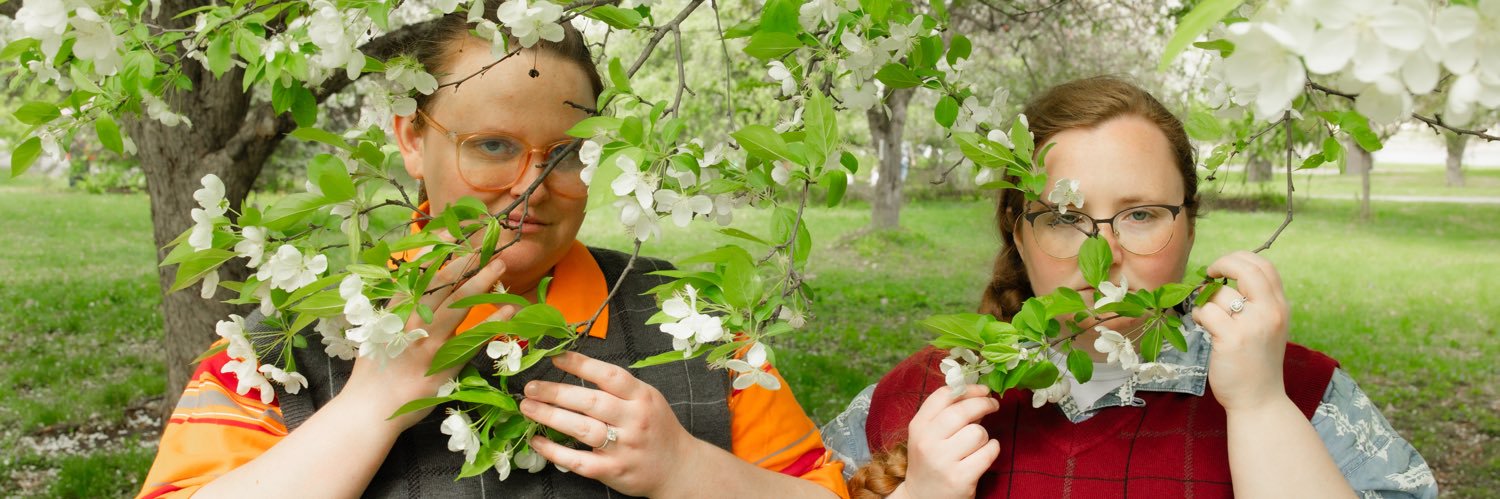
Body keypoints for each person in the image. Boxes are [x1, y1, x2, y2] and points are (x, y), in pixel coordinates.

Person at [137, 6, 847, 498]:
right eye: (493, 147)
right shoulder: (286, 346)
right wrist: (369, 404)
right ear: (413, 139)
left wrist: (685, 469)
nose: (530, 187)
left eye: (567, 155)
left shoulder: (697, 321)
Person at [822, 76, 1435, 498]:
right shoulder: (927, 395)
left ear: (1190, 227)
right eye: (1064, 219)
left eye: (1140, 215)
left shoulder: (1301, 392)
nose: (1102, 256)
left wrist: (1260, 407)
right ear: (1018, 234)